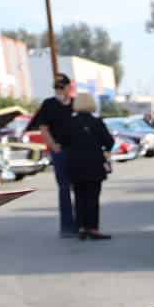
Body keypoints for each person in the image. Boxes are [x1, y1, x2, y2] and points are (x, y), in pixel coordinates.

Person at [26, 73, 78, 237]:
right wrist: (53, 146)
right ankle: (67, 227)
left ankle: (81, 224)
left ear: (69, 87)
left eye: (62, 87)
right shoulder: (49, 104)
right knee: (64, 188)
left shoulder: (76, 104)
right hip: (60, 151)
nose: (59, 90)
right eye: (56, 88)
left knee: (79, 188)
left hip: (77, 152)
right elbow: (43, 127)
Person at [63, 92, 117, 241]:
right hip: (94, 165)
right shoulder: (97, 122)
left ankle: (81, 228)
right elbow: (109, 142)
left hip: (75, 166)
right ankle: (93, 228)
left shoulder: (70, 123)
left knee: (79, 197)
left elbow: (63, 142)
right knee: (92, 198)